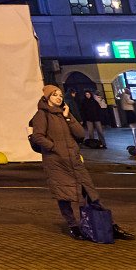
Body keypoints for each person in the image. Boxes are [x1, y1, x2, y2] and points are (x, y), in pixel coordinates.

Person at [28, 84, 121, 240]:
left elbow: (79, 134)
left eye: (60, 95)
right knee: (64, 196)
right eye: (55, 95)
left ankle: (108, 224)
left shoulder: (65, 114)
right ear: (47, 98)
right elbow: (38, 136)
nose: (58, 98)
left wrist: (68, 117)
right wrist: (53, 147)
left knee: (90, 194)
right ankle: (73, 225)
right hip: (56, 162)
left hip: (74, 161)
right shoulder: (41, 115)